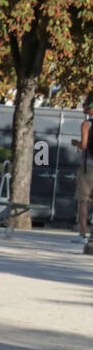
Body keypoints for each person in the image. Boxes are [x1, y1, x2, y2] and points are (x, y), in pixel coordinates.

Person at [72, 94, 93, 243]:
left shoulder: (86, 124)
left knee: (83, 201)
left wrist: (76, 143)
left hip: (88, 167)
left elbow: (84, 145)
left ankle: (83, 234)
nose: (83, 107)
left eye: (85, 104)